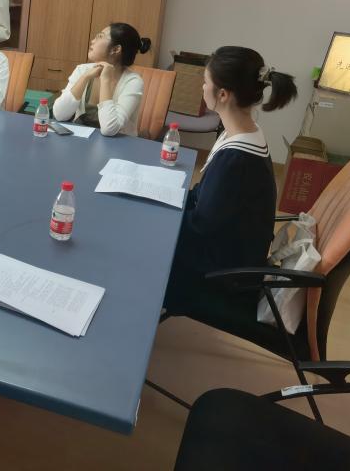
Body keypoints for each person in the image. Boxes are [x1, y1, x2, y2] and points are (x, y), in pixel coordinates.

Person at [164, 47, 297, 314]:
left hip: (223, 275)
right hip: (230, 250)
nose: (202, 88)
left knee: (141, 246)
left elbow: (201, 226)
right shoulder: (245, 132)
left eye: (205, 82)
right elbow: (204, 199)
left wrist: (162, 219)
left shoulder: (236, 160)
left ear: (222, 94)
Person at [51, 23, 152, 137]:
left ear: (116, 49)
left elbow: (110, 129)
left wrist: (105, 80)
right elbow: (59, 115)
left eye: (100, 36)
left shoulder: (133, 82)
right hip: (81, 141)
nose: (92, 41)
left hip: (118, 145)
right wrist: (84, 78)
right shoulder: (82, 70)